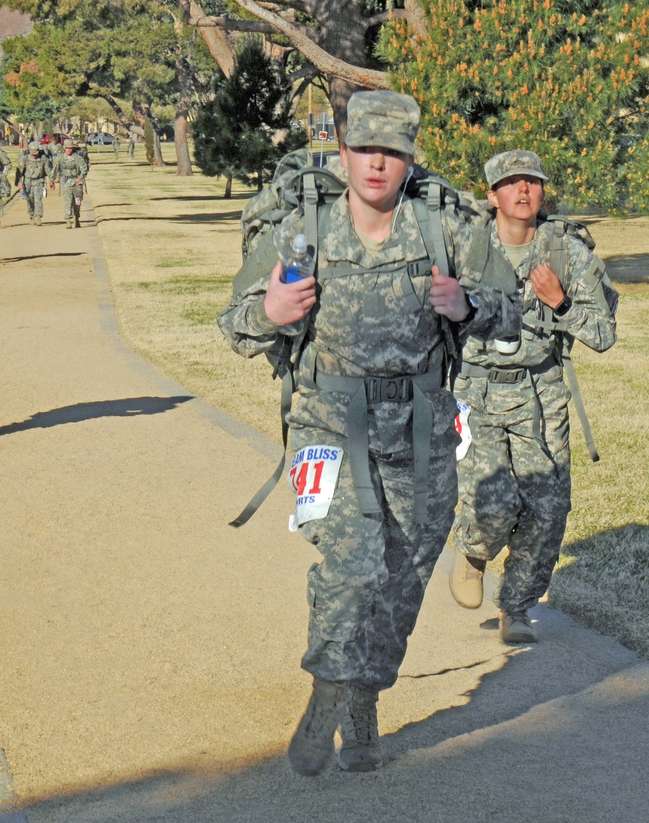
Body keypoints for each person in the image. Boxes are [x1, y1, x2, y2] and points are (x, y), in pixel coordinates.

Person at [218, 91, 521, 776]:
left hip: (422, 433)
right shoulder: (302, 228)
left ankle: (362, 698)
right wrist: (269, 310)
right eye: (363, 148)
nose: (376, 162)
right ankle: (328, 688)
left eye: (391, 151)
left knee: (403, 582)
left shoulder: (447, 226)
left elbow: (514, 315)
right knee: (353, 566)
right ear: (344, 149)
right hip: (328, 425)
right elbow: (234, 325)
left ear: (409, 156)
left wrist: (468, 305)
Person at [447, 150, 618, 643]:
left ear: (543, 192)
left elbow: (604, 334)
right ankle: (475, 550)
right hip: (474, 391)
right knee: (494, 503)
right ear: (493, 195)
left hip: (540, 392)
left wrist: (560, 302)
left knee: (547, 509)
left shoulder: (566, 252)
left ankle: (517, 609)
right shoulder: (465, 249)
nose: (523, 191)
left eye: (532, 182)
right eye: (511, 183)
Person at [55, 138, 88, 229]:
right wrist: (53, 180)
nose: (68, 150)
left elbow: (84, 168)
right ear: (64, 148)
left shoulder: (78, 158)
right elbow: (55, 169)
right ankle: (68, 220)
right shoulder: (60, 158)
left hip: (77, 183)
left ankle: (77, 217)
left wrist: (80, 178)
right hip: (66, 182)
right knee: (68, 201)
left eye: (70, 148)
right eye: (66, 148)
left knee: (77, 202)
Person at [18, 141, 53, 226]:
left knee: (38, 199)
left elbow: (48, 170)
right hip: (28, 181)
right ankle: (31, 214)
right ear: (29, 150)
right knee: (29, 200)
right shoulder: (24, 158)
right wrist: (19, 183)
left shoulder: (43, 158)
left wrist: (51, 181)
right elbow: (19, 172)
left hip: (39, 180)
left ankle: (38, 216)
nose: (34, 155)